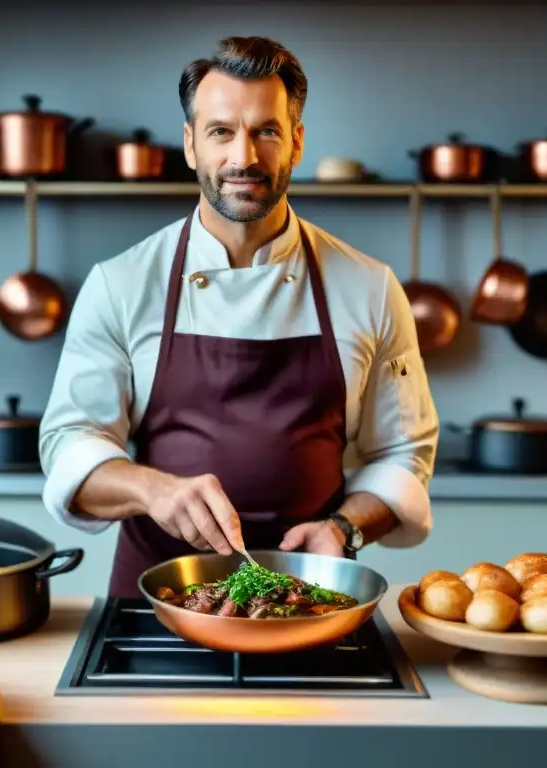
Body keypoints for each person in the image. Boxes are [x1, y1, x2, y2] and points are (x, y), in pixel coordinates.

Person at [39, 36, 439, 598]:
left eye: (266, 131)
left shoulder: (369, 287)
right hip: (157, 604)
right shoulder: (122, 283)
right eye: (221, 131)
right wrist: (155, 491)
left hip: (312, 599)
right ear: (190, 144)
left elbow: (403, 451)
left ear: (296, 143)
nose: (243, 157)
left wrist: (345, 528)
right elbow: (71, 442)